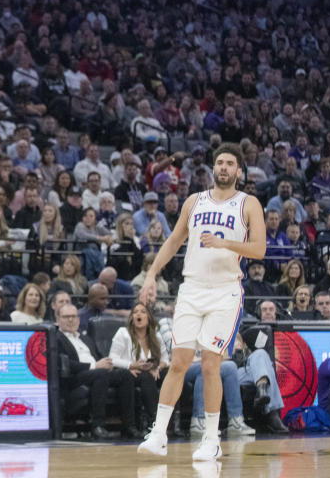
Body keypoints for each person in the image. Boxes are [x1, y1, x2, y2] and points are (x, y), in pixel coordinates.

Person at [138, 143, 266, 462]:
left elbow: (260, 249)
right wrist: (152, 274)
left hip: (226, 291)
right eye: (219, 162)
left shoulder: (248, 204)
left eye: (229, 163)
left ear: (239, 171)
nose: (223, 167)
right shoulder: (194, 202)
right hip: (192, 287)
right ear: (214, 168)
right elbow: (174, 240)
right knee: (179, 361)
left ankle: (212, 438)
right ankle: (158, 434)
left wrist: (225, 242)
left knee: (211, 364)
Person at [54, 302, 140, 439]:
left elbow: (100, 357)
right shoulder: (56, 338)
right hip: (75, 377)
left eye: (73, 316)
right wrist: (94, 366)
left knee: (125, 374)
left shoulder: (86, 338)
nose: (71, 319)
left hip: (97, 372)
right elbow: (64, 363)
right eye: (66, 317)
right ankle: (98, 425)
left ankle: (129, 426)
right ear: (58, 319)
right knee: (101, 373)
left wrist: (109, 364)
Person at [109, 302, 168, 429]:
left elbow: (165, 359)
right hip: (131, 374)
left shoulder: (156, 336)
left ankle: (173, 423)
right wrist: (131, 365)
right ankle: (154, 422)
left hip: (152, 372)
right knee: (147, 377)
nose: (139, 314)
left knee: (169, 374)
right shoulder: (123, 333)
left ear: (149, 317)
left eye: (142, 312)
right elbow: (112, 359)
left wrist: (157, 367)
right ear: (131, 318)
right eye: (135, 312)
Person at [231, 334, 288, 433]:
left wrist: (244, 355)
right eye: (232, 342)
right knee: (266, 368)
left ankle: (262, 388)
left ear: (244, 345)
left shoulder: (250, 355)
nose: (236, 344)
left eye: (237, 341)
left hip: (249, 372)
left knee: (261, 353)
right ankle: (272, 413)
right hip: (232, 372)